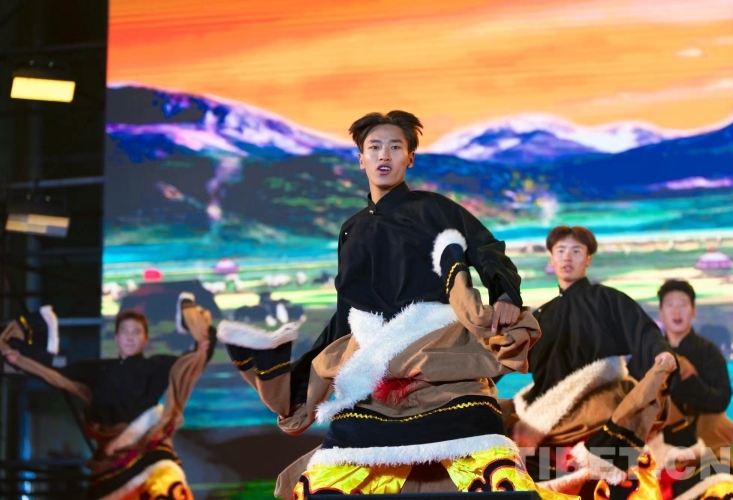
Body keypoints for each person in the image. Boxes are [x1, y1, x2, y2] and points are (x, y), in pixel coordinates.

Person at [218, 110, 574, 499]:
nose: (384, 155)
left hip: (437, 356)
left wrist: (505, 294)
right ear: (361, 159)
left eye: (395, 147)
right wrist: (305, 384)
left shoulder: (434, 209)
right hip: (373, 371)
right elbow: (346, 313)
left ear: (410, 158)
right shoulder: (351, 230)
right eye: (374, 147)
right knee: (325, 485)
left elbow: (486, 249)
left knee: (491, 473)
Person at [507, 226, 677, 498]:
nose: (567, 257)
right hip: (546, 416)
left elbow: (643, 329)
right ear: (551, 259)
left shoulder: (607, 299)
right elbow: (508, 357)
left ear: (588, 259)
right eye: (561, 251)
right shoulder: (541, 315)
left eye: (576, 251)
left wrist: (661, 351)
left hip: (599, 410)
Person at [0, 293, 215, 500]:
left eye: (136, 332)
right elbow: (57, 374)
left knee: (167, 486)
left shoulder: (157, 366)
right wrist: (20, 359)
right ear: (116, 338)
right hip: (110, 460)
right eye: (124, 332)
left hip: (149, 450)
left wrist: (201, 340)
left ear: (145, 338)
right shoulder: (96, 369)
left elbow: (190, 363)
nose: (130, 337)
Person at [647, 280, 733, 500]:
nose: (677, 311)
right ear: (661, 313)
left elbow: (720, 400)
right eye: (670, 305)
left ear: (693, 311)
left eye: (683, 304)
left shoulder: (708, 352)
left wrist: (689, 378)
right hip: (661, 449)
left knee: (722, 488)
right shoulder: (648, 355)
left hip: (709, 445)